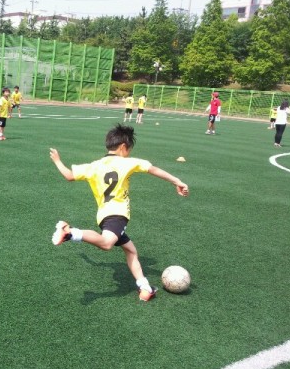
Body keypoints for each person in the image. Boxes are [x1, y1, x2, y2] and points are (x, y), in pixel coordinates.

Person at [49, 124, 189, 301]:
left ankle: (145, 288)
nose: (129, 153)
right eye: (129, 149)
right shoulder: (128, 163)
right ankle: (70, 232)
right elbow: (153, 169)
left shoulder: (95, 165)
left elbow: (69, 175)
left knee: (131, 251)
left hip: (104, 216)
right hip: (118, 214)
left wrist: (57, 161)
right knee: (107, 243)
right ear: (123, 146)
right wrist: (177, 181)